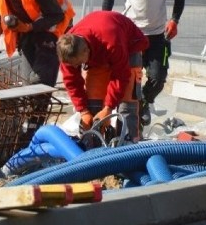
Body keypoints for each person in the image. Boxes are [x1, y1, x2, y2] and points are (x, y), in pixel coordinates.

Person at [102, 0, 185, 126]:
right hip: (131, 34)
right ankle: (126, 116)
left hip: (157, 35)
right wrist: (107, 23)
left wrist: (174, 20)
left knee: (158, 78)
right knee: (127, 78)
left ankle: (144, 103)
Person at [57, 10, 149, 141]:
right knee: (93, 106)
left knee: (126, 106)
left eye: (79, 63)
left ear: (86, 51)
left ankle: (129, 145)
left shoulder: (112, 42)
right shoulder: (68, 51)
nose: (77, 67)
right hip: (98, 53)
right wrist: (84, 111)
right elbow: (72, 82)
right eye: (74, 65)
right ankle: (93, 148)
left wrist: (108, 108)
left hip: (128, 48)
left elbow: (120, 77)